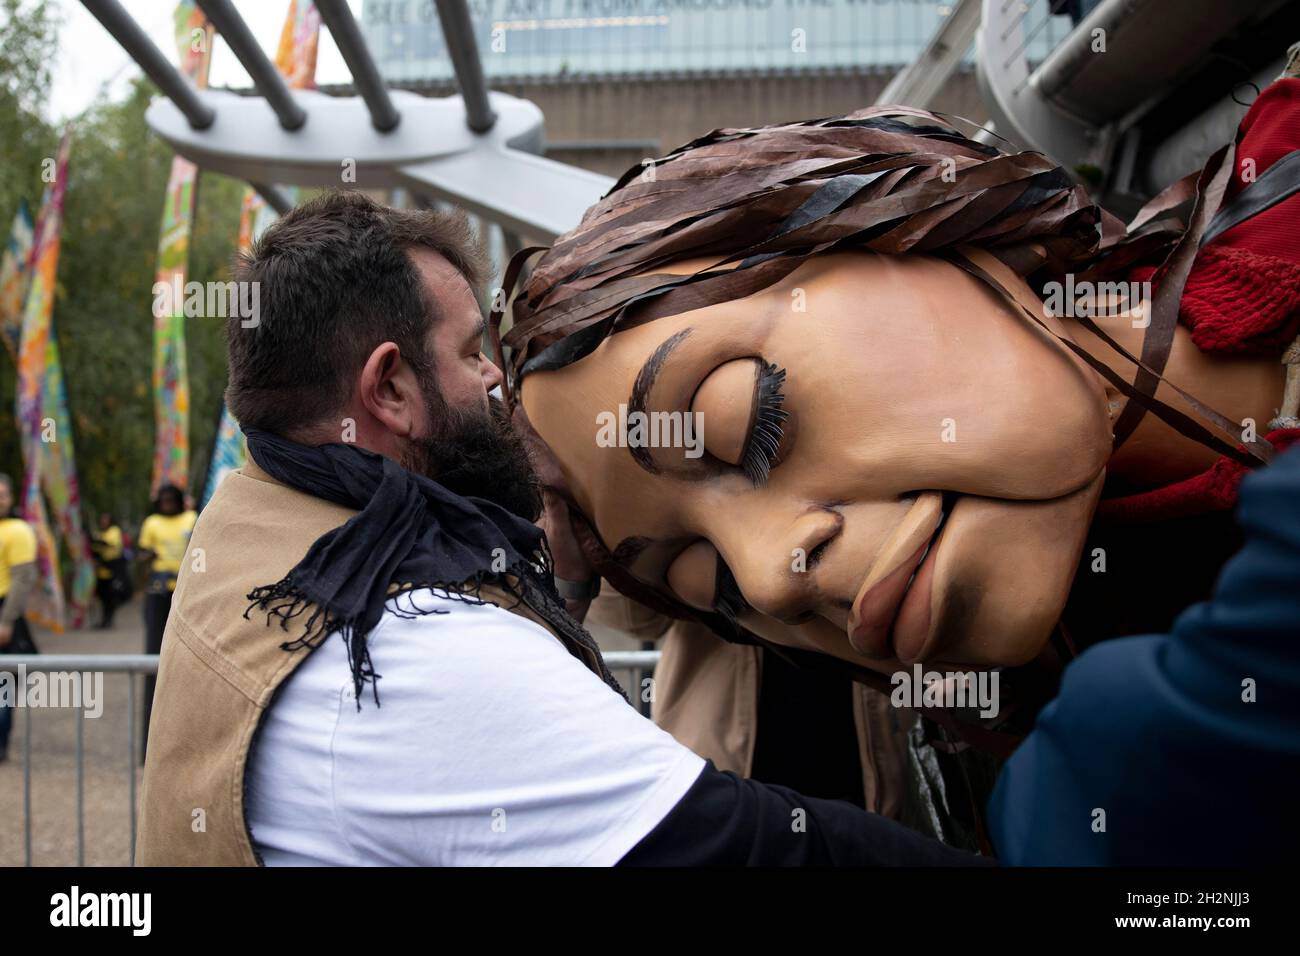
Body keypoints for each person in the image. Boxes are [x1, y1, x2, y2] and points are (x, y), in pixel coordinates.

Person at [503, 75, 1300, 835]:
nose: (770, 579)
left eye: (744, 422)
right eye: (710, 584)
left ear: (944, 234)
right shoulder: (1100, 774)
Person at [134, 191, 984, 866]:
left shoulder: (258, 518)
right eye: (472, 353)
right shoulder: (409, 649)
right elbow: (738, 845)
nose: (496, 386)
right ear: (388, 390)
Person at [135, 484, 196, 760]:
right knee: (153, 662)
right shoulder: (152, 523)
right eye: (164, 500)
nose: (168, 503)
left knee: (186, 663)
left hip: (188, 593)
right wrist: (147, 557)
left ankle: (184, 741)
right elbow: (141, 555)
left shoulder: (192, 519)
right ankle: (148, 745)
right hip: (158, 594)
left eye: (173, 499)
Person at [0, 473, 38, 764]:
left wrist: (7, 620)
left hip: (4, 607)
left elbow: (23, 579)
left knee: (4, 681)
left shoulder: (17, 530)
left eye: (2, 494)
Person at [90, 511, 127, 629]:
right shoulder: (100, 533)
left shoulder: (114, 531)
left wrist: (96, 540)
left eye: (106, 519)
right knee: (102, 597)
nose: (104, 521)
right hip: (101, 571)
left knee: (110, 597)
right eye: (102, 519)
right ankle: (104, 620)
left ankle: (109, 620)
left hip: (112, 569)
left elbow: (109, 544)